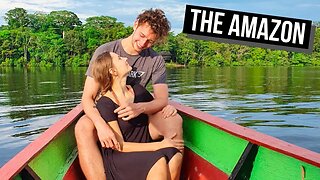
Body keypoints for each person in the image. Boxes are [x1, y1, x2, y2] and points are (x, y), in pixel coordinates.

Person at [75, 8, 184, 179]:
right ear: (135, 25)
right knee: (83, 126)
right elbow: (88, 98)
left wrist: (141, 108)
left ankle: (170, 168)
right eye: (141, 35)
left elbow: (161, 99)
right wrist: (101, 125)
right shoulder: (107, 51)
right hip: (108, 110)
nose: (143, 43)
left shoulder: (155, 60)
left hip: (136, 108)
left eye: (150, 41)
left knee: (174, 119)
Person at [91, 51, 183, 180]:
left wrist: (168, 107)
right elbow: (120, 146)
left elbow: (155, 106)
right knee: (158, 160)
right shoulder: (105, 103)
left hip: (144, 148)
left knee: (175, 155)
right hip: (120, 155)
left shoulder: (138, 90)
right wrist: (160, 145)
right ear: (113, 71)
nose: (124, 58)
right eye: (119, 58)